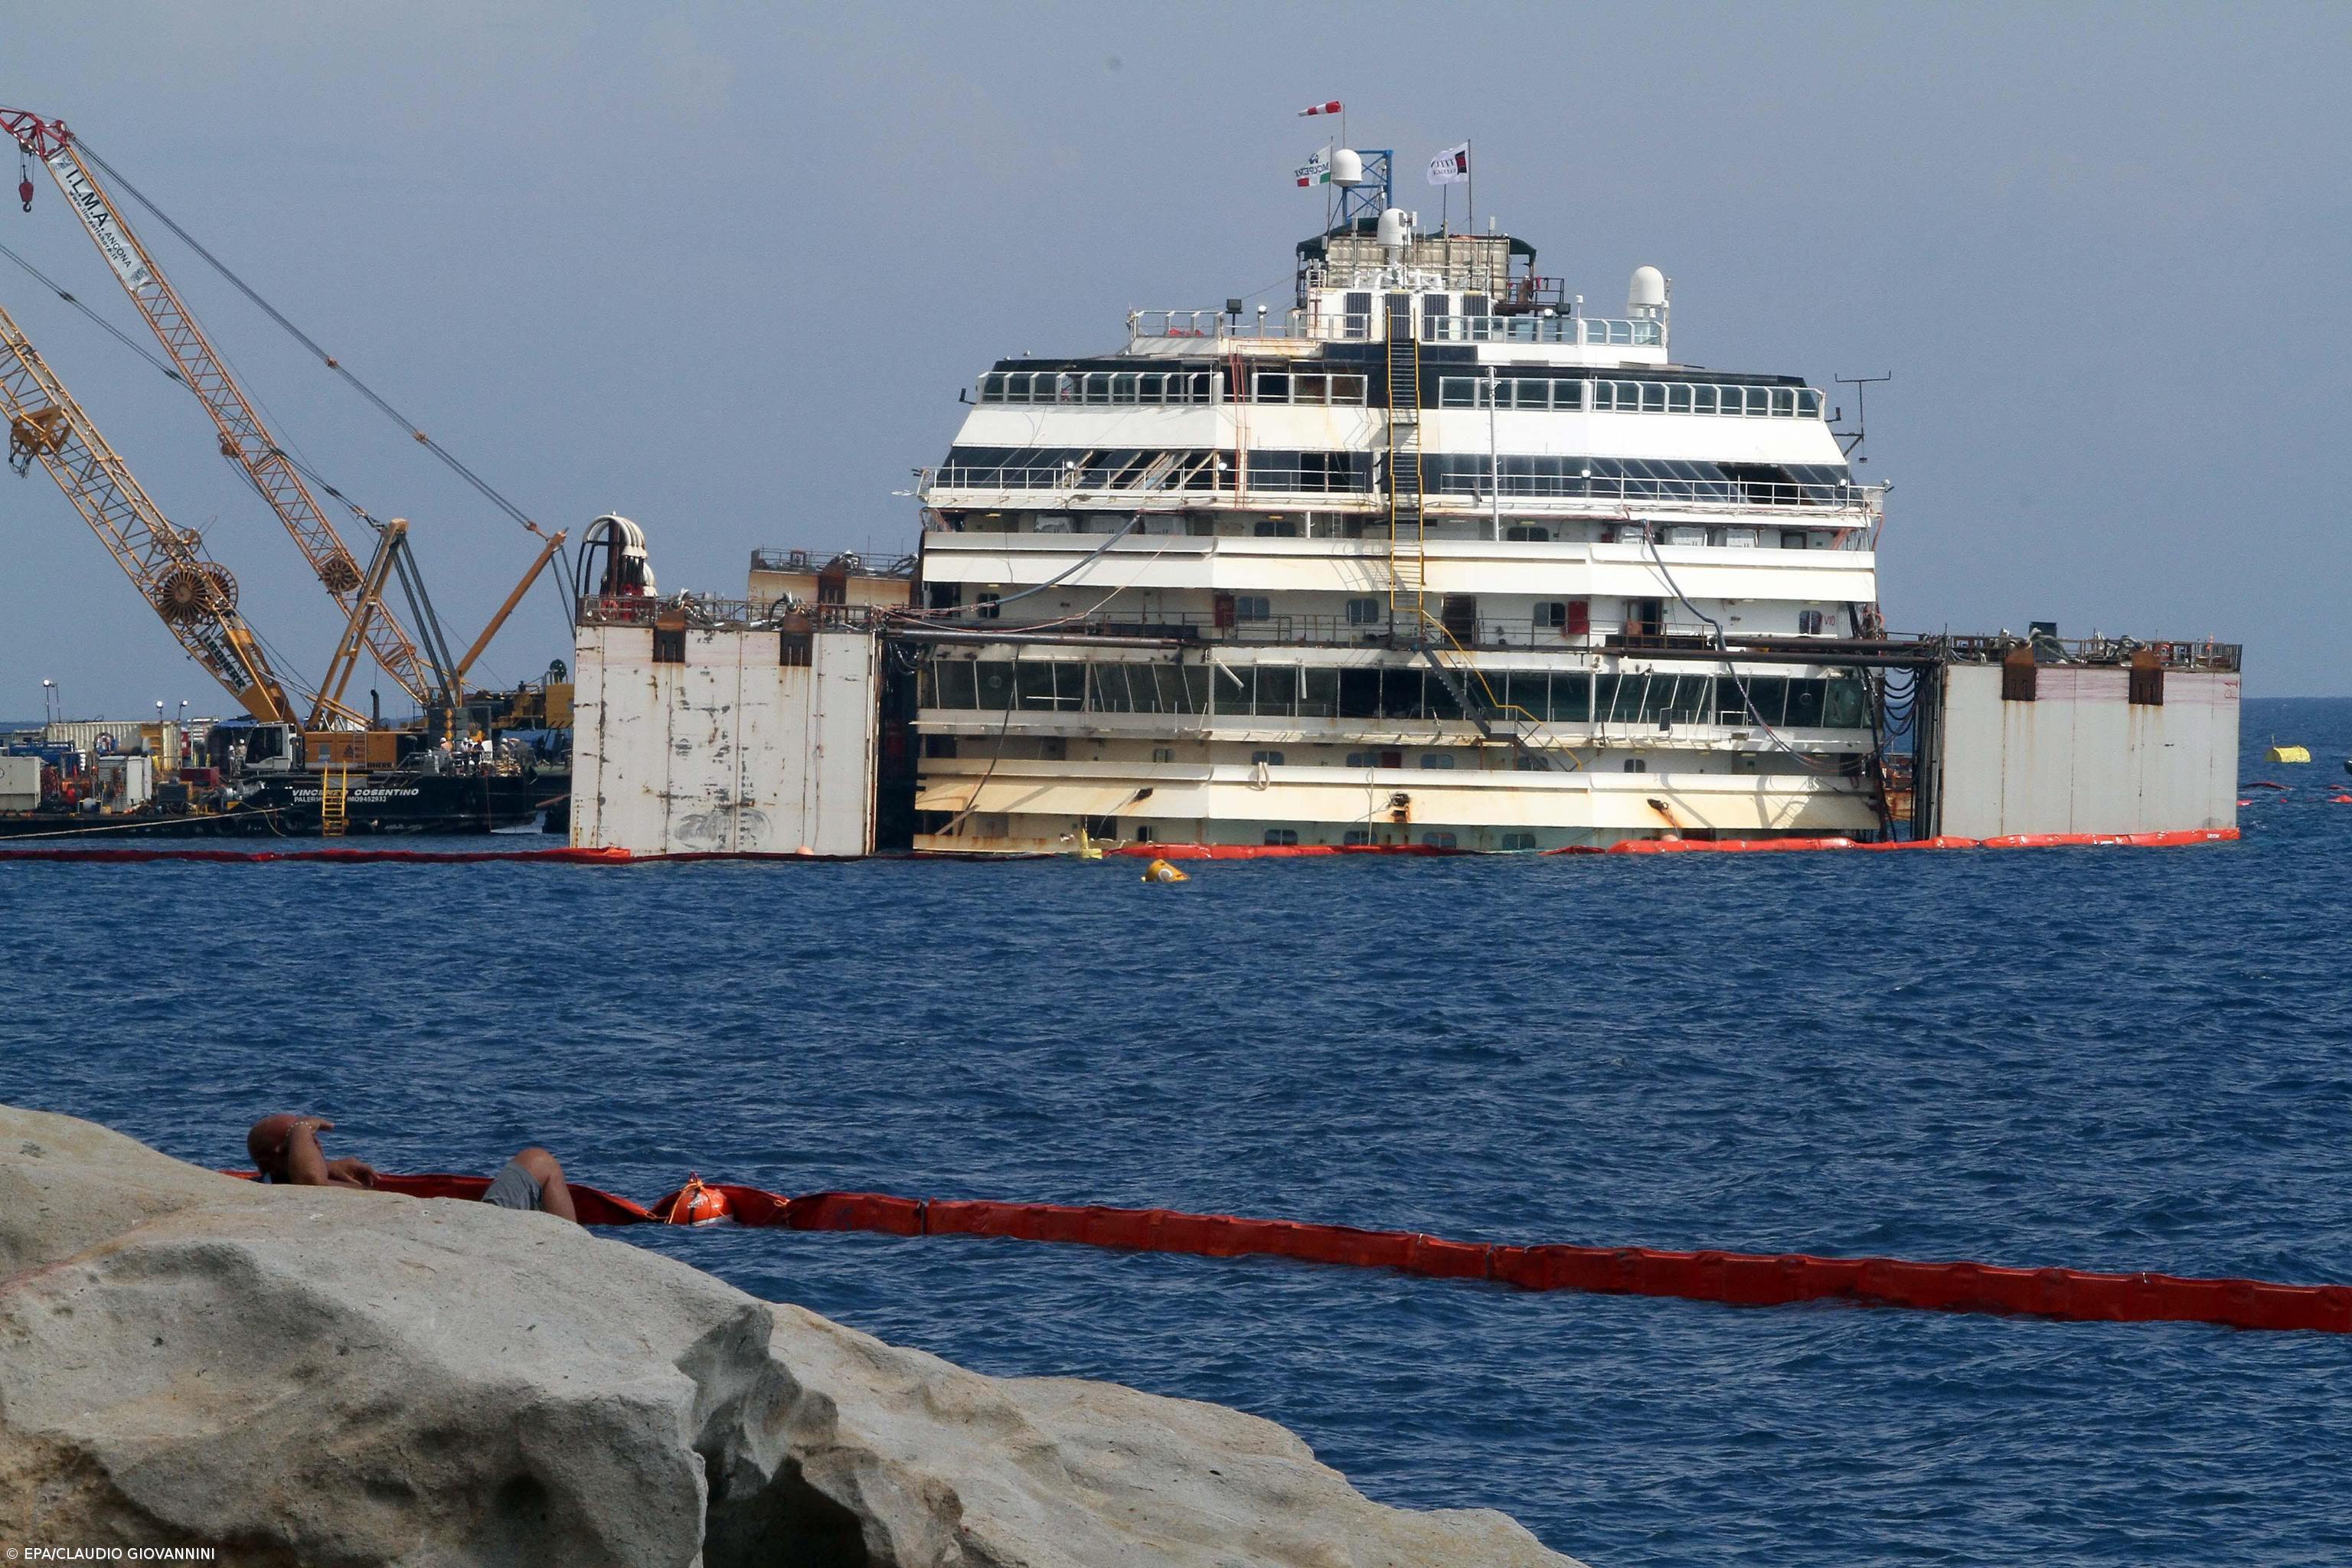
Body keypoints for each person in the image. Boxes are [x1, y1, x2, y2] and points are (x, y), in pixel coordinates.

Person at [245, 1114, 578, 1222]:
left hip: (445, 1223)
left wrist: (331, 1165)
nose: (316, 1146)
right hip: (468, 1229)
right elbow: (309, 1182)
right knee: (539, 1160)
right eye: (304, 1144)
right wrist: (302, 1127)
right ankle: (570, 1248)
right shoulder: (302, 1188)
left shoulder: (282, 1183)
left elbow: (308, 1175)